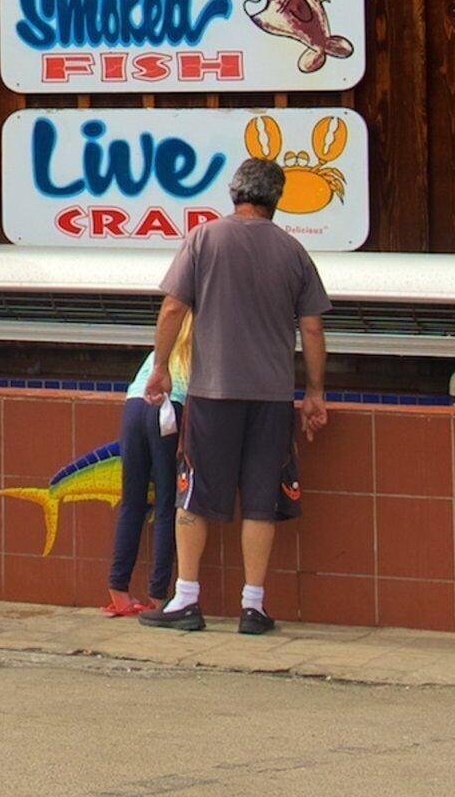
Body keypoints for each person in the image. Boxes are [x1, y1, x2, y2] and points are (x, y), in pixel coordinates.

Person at [137, 155, 328, 636]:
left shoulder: (204, 238)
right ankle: (253, 607)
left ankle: (186, 599)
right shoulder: (292, 252)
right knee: (262, 499)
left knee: (194, 495)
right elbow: (312, 328)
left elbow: (173, 308)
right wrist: (315, 393)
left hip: (212, 392)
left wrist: (159, 367)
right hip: (270, 395)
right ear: (277, 201)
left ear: (234, 194)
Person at [104, 313, 189, 616]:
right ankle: (158, 595)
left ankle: (119, 590)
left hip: (134, 405)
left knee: (133, 502)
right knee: (167, 503)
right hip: (167, 409)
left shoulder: (163, 348)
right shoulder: (201, 347)